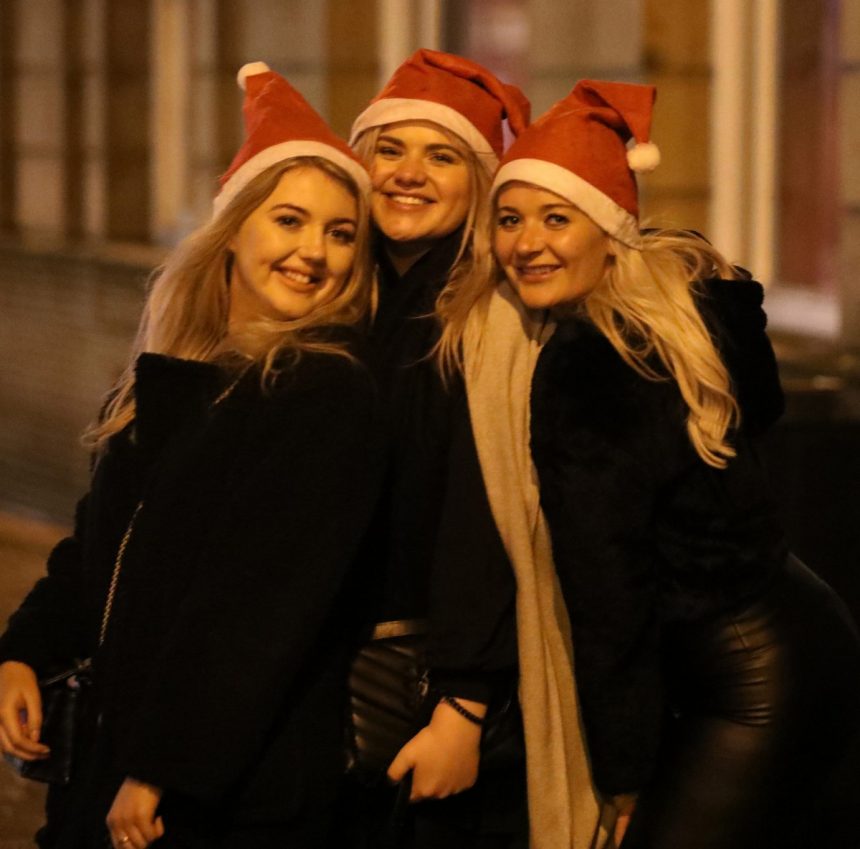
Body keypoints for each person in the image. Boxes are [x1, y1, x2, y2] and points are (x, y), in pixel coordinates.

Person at [436, 79, 860, 848]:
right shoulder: (669, 318)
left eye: (557, 218)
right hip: (799, 630)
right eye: (509, 219)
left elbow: (609, 593)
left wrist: (621, 771)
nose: (527, 243)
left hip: (751, 678)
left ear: (609, 231)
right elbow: (761, 408)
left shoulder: (587, 364)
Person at [0, 63, 384, 849]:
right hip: (114, 757)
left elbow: (259, 607)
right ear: (233, 229)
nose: (315, 251)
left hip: (223, 791)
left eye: (341, 233)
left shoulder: (325, 391)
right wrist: (23, 651)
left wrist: (161, 767)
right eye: (289, 221)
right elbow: (94, 551)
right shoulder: (174, 376)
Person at [341, 50, 531, 847]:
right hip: (339, 661)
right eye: (390, 149)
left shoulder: (486, 314)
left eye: (442, 156)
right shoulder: (339, 289)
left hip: (427, 676)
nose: (409, 173)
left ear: (480, 183)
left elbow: (483, 517)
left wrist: (463, 699)